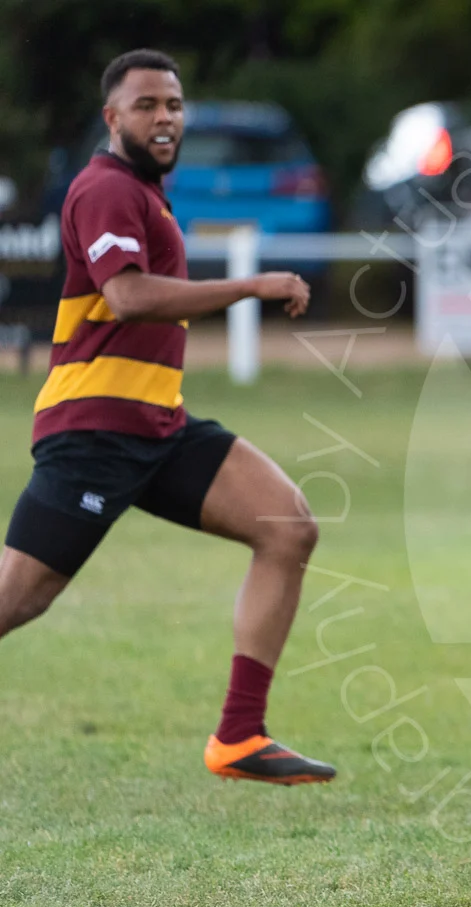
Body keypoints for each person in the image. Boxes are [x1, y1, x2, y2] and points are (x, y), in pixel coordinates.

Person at [0, 49, 335, 785]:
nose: (164, 118)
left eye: (175, 105)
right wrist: (248, 285)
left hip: (157, 425)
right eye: (147, 105)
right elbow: (126, 297)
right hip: (92, 432)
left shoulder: (146, 194)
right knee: (18, 599)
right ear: (112, 117)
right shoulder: (105, 190)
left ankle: (239, 738)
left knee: (287, 524)